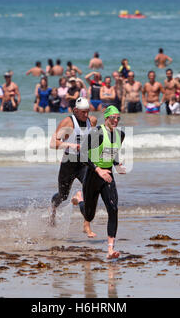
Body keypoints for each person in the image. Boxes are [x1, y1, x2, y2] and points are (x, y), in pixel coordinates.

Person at [78, 105, 126, 259]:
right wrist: (98, 170)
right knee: (89, 215)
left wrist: (117, 164)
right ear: (106, 118)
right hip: (93, 175)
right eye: (113, 118)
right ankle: (79, 198)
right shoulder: (97, 133)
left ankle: (110, 249)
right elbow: (82, 155)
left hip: (108, 175)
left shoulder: (121, 134)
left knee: (113, 209)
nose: (116, 121)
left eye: (118, 118)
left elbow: (112, 151)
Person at [49, 97, 98, 226]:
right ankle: (53, 209)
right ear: (75, 110)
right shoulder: (68, 123)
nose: (86, 115)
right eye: (83, 112)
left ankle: (85, 219)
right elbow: (53, 143)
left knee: (91, 190)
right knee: (63, 196)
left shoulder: (92, 121)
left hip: (84, 163)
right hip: (68, 163)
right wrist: (69, 145)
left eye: (88, 111)